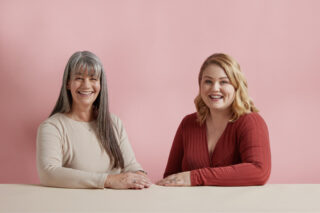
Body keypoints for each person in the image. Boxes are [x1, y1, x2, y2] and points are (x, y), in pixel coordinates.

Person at [37, 51, 152, 189]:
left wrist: (140, 176)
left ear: (100, 84)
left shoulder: (114, 123)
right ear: (68, 83)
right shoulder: (52, 127)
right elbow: (48, 173)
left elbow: (131, 165)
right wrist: (108, 180)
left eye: (93, 79)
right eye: (79, 78)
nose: (86, 85)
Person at [157, 53, 271, 186]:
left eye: (224, 81)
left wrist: (195, 177)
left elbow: (259, 171)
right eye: (208, 81)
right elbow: (171, 177)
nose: (215, 88)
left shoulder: (250, 122)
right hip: (191, 206)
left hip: (237, 207)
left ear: (236, 86)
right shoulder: (188, 124)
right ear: (200, 86)